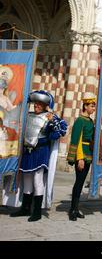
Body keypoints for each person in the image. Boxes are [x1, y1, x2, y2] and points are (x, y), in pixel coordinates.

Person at [10, 90, 67, 222]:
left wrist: (53, 122)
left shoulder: (49, 117)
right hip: (27, 152)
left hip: (41, 152)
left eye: (39, 103)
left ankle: (37, 212)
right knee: (27, 179)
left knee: (37, 179)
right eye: (35, 103)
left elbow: (60, 131)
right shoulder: (27, 116)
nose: (36, 105)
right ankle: (25, 208)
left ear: (45, 105)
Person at [67, 92, 96, 221]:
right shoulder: (80, 120)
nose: (93, 108)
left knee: (81, 181)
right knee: (78, 183)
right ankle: (73, 209)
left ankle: (76, 208)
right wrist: (79, 158)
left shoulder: (90, 121)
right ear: (85, 106)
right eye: (92, 106)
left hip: (88, 155)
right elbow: (76, 139)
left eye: (94, 106)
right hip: (82, 155)